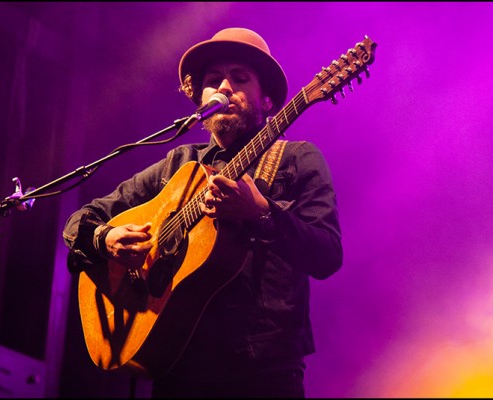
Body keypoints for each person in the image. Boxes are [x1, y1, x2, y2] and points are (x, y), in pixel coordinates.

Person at [63, 27, 343, 398]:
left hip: (263, 371)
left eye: (240, 78)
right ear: (199, 100)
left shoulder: (296, 159)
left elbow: (327, 254)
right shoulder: (177, 164)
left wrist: (262, 213)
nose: (224, 87)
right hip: (178, 368)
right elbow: (81, 220)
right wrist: (106, 239)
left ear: (268, 101)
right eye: (213, 81)